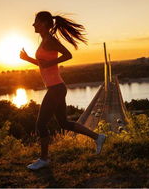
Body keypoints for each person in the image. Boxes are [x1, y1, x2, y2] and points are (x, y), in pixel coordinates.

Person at [20, 11, 106, 170]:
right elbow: (43, 64)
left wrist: (51, 62)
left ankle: (44, 159)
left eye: (36, 21)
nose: (33, 24)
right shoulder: (44, 40)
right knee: (64, 123)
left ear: (44, 23)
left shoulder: (50, 40)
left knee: (41, 124)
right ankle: (98, 137)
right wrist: (28, 59)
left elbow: (68, 55)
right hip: (57, 87)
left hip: (56, 88)